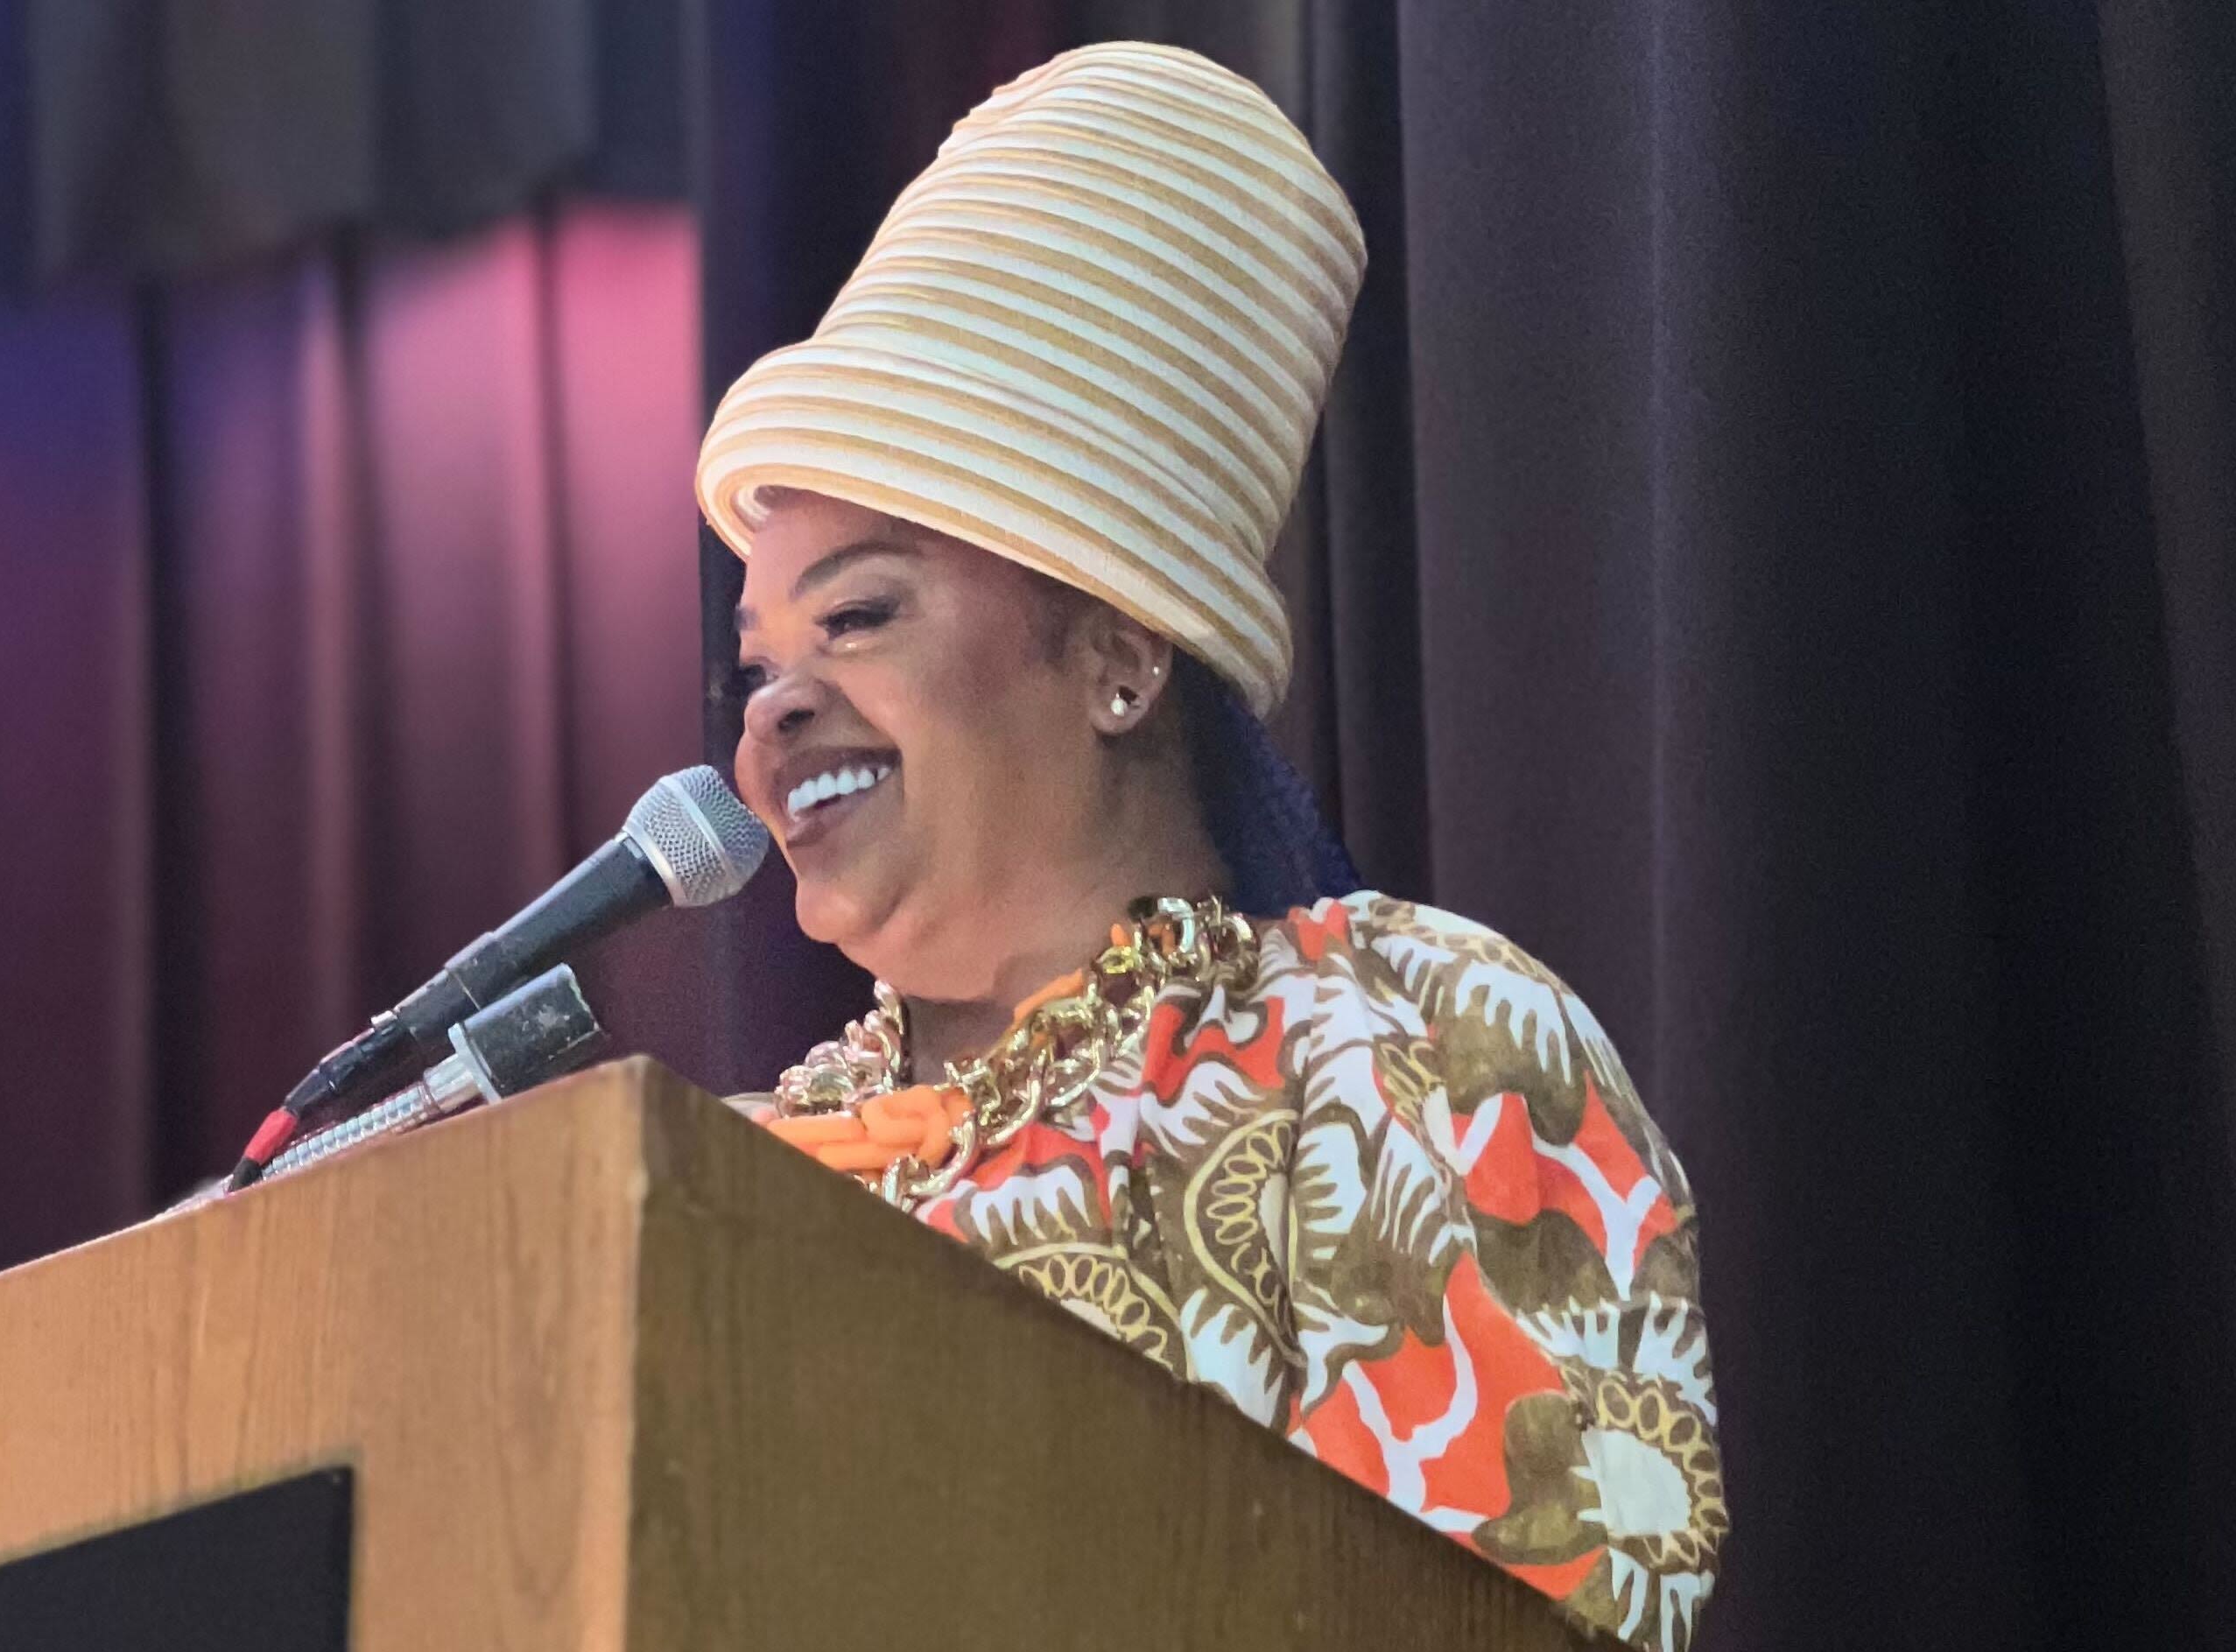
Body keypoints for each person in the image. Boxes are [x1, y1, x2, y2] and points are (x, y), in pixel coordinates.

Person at [697, 43, 1722, 1652]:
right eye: (759, 665)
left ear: (1118, 651)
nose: (773, 716)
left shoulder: (1407, 1048)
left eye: (860, 617)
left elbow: (1545, 1598)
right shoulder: (730, 1171)